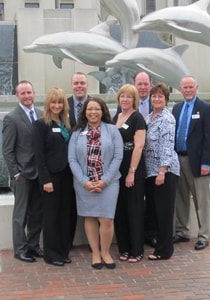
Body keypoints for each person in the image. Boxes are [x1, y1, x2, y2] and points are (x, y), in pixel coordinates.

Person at [68, 97, 123, 269]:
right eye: (89, 109)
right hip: (85, 184)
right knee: (90, 216)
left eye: (97, 109)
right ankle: (95, 253)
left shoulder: (112, 130)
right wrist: (84, 181)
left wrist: (105, 180)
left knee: (107, 219)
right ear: (84, 112)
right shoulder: (77, 133)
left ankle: (105, 252)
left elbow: (118, 156)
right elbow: (72, 159)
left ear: (103, 111)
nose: (93, 112)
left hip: (109, 183)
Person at [172, 76, 210, 251]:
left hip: (198, 163)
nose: (188, 90)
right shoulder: (176, 108)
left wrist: (206, 163)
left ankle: (204, 235)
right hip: (178, 160)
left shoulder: (206, 108)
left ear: (196, 88)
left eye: (191, 87)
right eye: (185, 87)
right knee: (180, 198)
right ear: (180, 89)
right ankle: (182, 231)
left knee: (201, 201)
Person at [32, 87, 76, 267]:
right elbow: (39, 155)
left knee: (67, 215)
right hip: (51, 178)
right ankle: (51, 254)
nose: (56, 105)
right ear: (48, 104)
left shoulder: (67, 123)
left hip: (68, 176)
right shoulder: (41, 124)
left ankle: (64, 251)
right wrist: (46, 180)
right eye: (53, 102)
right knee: (52, 216)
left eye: (60, 102)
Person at [2, 80, 44, 263]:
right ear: (17, 96)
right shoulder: (11, 118)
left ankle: (34, 246)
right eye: (23, 93)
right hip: (23, 175)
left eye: (29, 92)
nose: (27, 96)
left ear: (34, 93)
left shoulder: (42, 115)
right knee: (21, 215)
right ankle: (20, 249)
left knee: (37, 213)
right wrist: (16, 173)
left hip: (40, 174)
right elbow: (7, 150)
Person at [144, 82, 180, 260]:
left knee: (164, 212)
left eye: (160, 96)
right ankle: (159, 245)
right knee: (155, 210)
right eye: (154, 96)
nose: (157, 99)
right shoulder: (149, 117)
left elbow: (167, 145)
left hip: (164, 171)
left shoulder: (167, 118)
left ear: (166, 100)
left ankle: (165, 250)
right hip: (150, 170)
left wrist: (162, 171)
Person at [112, 84, 146, 263]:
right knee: (120, 211)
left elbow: (139, 145)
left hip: (133, 170)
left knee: (134, 211)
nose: (125, 99)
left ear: (135, 100)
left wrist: (131, 172)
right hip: (117, 171)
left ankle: (137, 250)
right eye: (122, 96)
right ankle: (124, 248)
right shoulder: (116, 116)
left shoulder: (137, 118)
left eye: (129, 97)